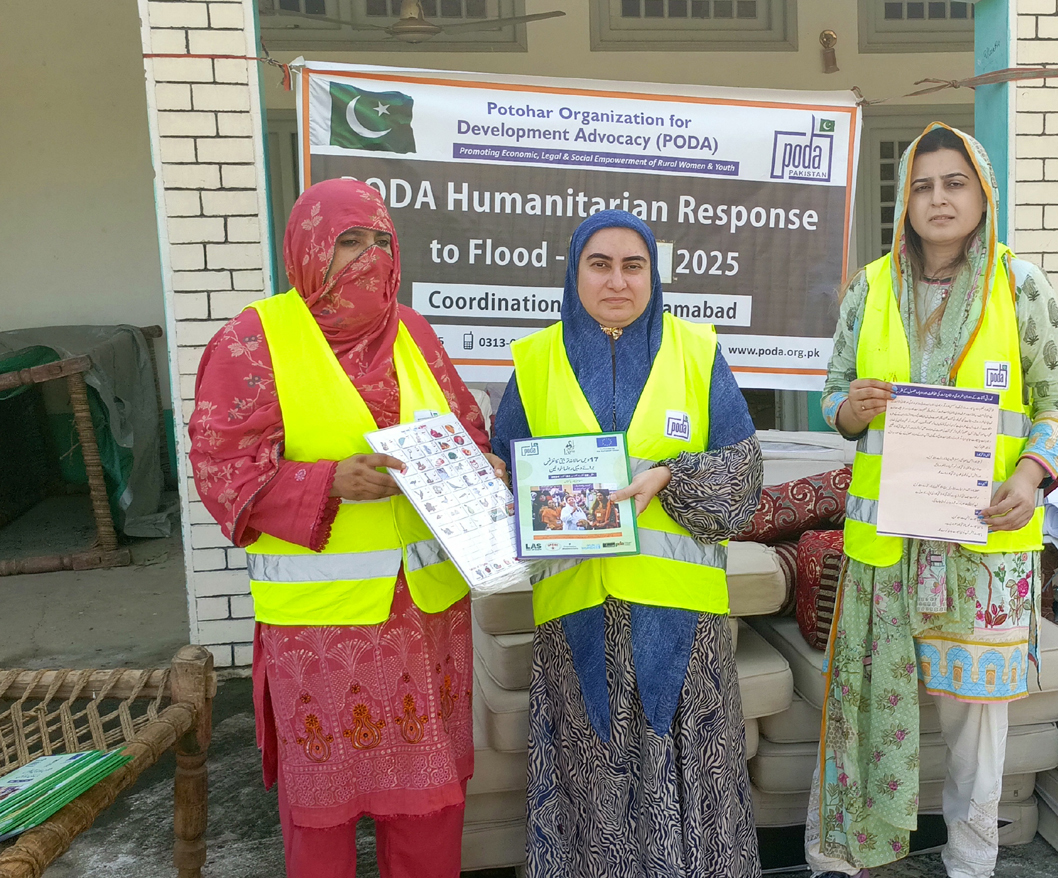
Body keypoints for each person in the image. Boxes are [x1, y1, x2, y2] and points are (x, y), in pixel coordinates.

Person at [189, 178, 503, 878]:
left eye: (381, 240)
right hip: (321, 630)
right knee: (323, 809)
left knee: (428, 802)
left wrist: (479, 467)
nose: (369, 257)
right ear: (308, 249)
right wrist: (327, 480)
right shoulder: (253, 341)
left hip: (426, 617)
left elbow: (463, 429)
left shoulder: (413, 331)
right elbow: (221, 467)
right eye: (348, 241)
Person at [808, 124, 1058, 878]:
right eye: (921, 186)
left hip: (981, 547)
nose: (937, 199)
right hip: (884, 548)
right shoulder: (868, 287)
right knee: (864, 709)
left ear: (982, 193)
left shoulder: (1020, 286)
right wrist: (849, 409)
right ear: (904, 201)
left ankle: (970, 862)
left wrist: (1030, 476)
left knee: (976, 728)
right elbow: (831, 396)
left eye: (954, 183)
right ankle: (846, 858)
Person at [491, 210, 764, 877]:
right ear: (574, 273)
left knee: (690, 782)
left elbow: (743, 476)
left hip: (683, 623)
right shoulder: (535, 362)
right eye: (600, 264)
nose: (617, 280)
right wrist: (493, 478)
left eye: (632, 266)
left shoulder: (696, 352)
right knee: (592, 788)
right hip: (576, 620)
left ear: (653, 275)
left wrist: (672, 476)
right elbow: (506, 477)